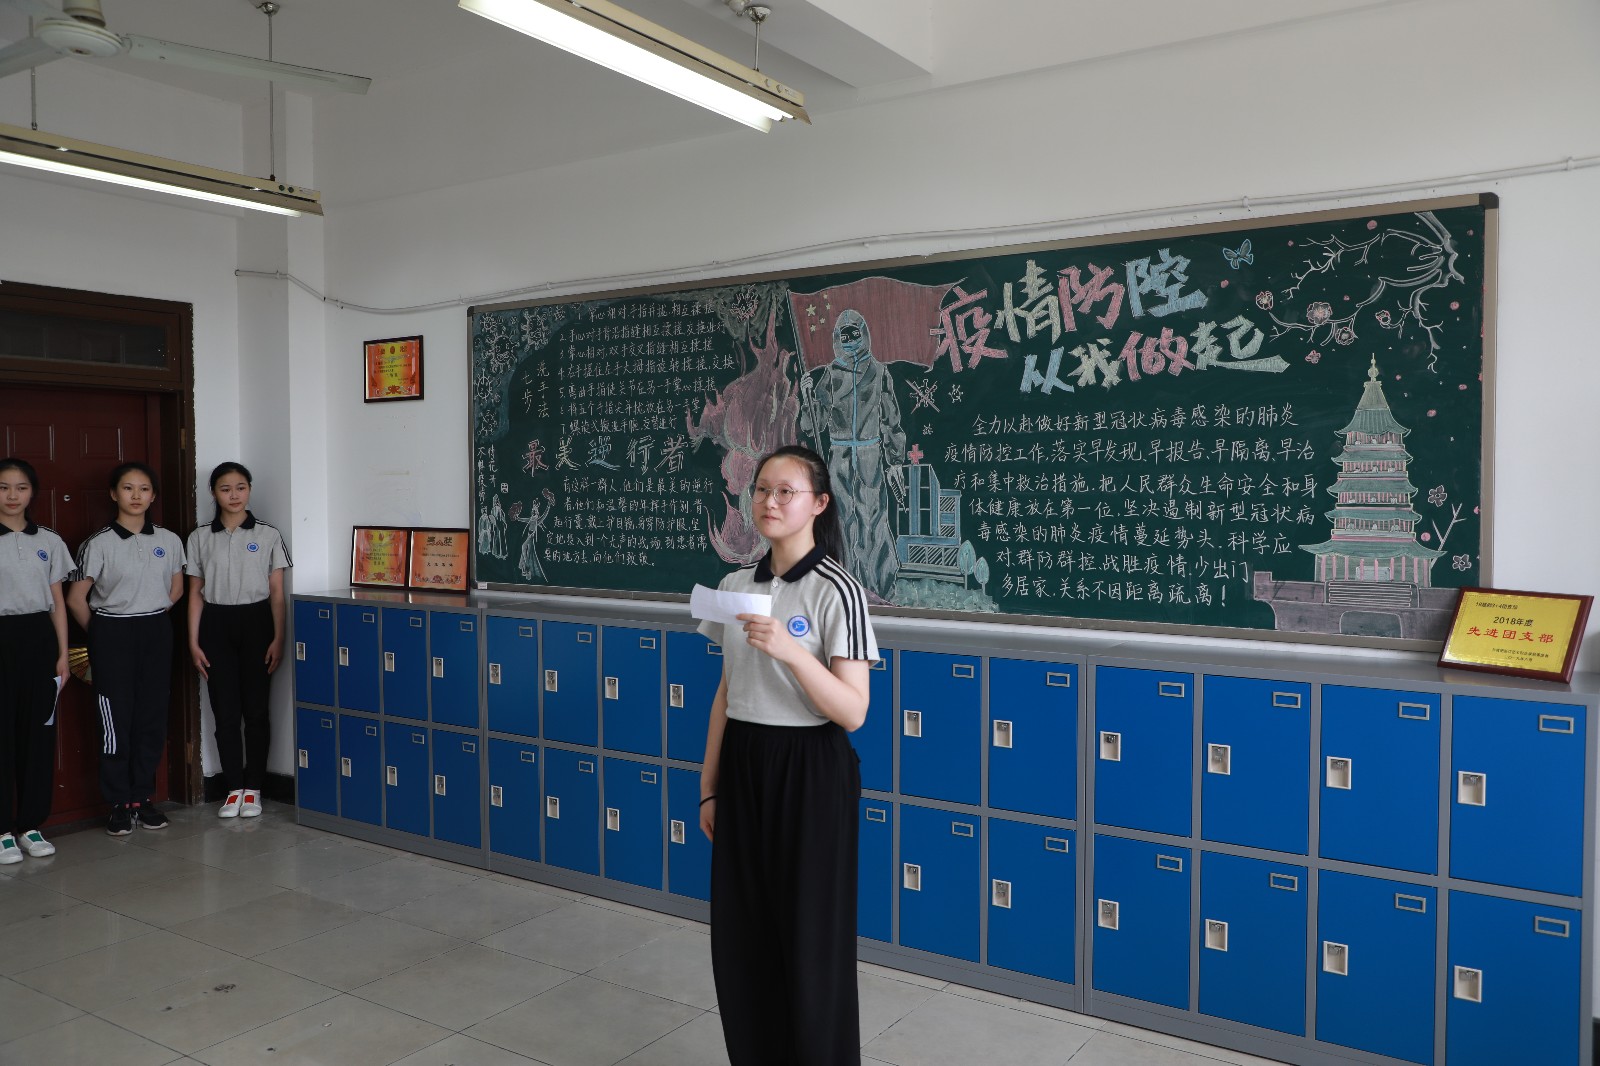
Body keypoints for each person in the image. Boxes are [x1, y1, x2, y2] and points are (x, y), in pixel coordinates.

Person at [697, 444, 877, 1066]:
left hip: (810, 768)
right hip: (745, 761)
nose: (769, 502)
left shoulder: (838, 591)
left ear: (819, 504)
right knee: (743, 936)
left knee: (810, 940)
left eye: (785, 492)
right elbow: (727, 692)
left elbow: (852, 710)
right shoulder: (734, 586)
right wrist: (709, 786)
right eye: (761, 490)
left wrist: (791, 651)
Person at [67, 462, 185, 835]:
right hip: (111, 632)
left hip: (156, 629)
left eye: (144, 489)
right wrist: (103, 632)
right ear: (114, 494)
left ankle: (141, 797)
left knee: (152, 716)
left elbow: (177, 589)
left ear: (153, 496)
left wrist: (149, 613)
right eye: (128, 488)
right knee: (115, 720)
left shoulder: (169, 540)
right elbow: (75, 599)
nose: (136, 495)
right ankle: (118, 802)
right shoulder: (98, 543)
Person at [186, 462, 292, 818]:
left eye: (240, 487)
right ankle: (233, 788)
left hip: (257, 622)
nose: (234, 495)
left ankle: (254, 788)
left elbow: (277, 593)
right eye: (225, 489)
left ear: (249, 489)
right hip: (216, 624)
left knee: (257, 710)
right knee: (225, 710)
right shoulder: (200, 537)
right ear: (214, 493)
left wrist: (279, 638)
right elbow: (195, 593)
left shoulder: (268, 534)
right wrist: (193, 642)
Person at [799, 308, 907, 603]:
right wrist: (808, 397)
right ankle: (844, 584)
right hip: (839, 457)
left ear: (864, 335)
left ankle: (879, 587)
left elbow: (891, 420)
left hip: (871, 456)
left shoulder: (880, 372)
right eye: (844, 336)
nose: (850, 341)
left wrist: (895, 460)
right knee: (841, 521)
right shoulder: (831, 374)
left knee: (873, 519)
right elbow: (814, 423)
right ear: (837, 338)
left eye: (854, 334)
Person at [0, 458, 70, 863]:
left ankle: (29, 825)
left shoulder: (49, 540)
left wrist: (62, 655)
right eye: (4, 487)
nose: (12, 495)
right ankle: (1, 831)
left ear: (32, 493)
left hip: (39, 640)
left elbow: (57, 601)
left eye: (21, 487)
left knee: (37, 736)